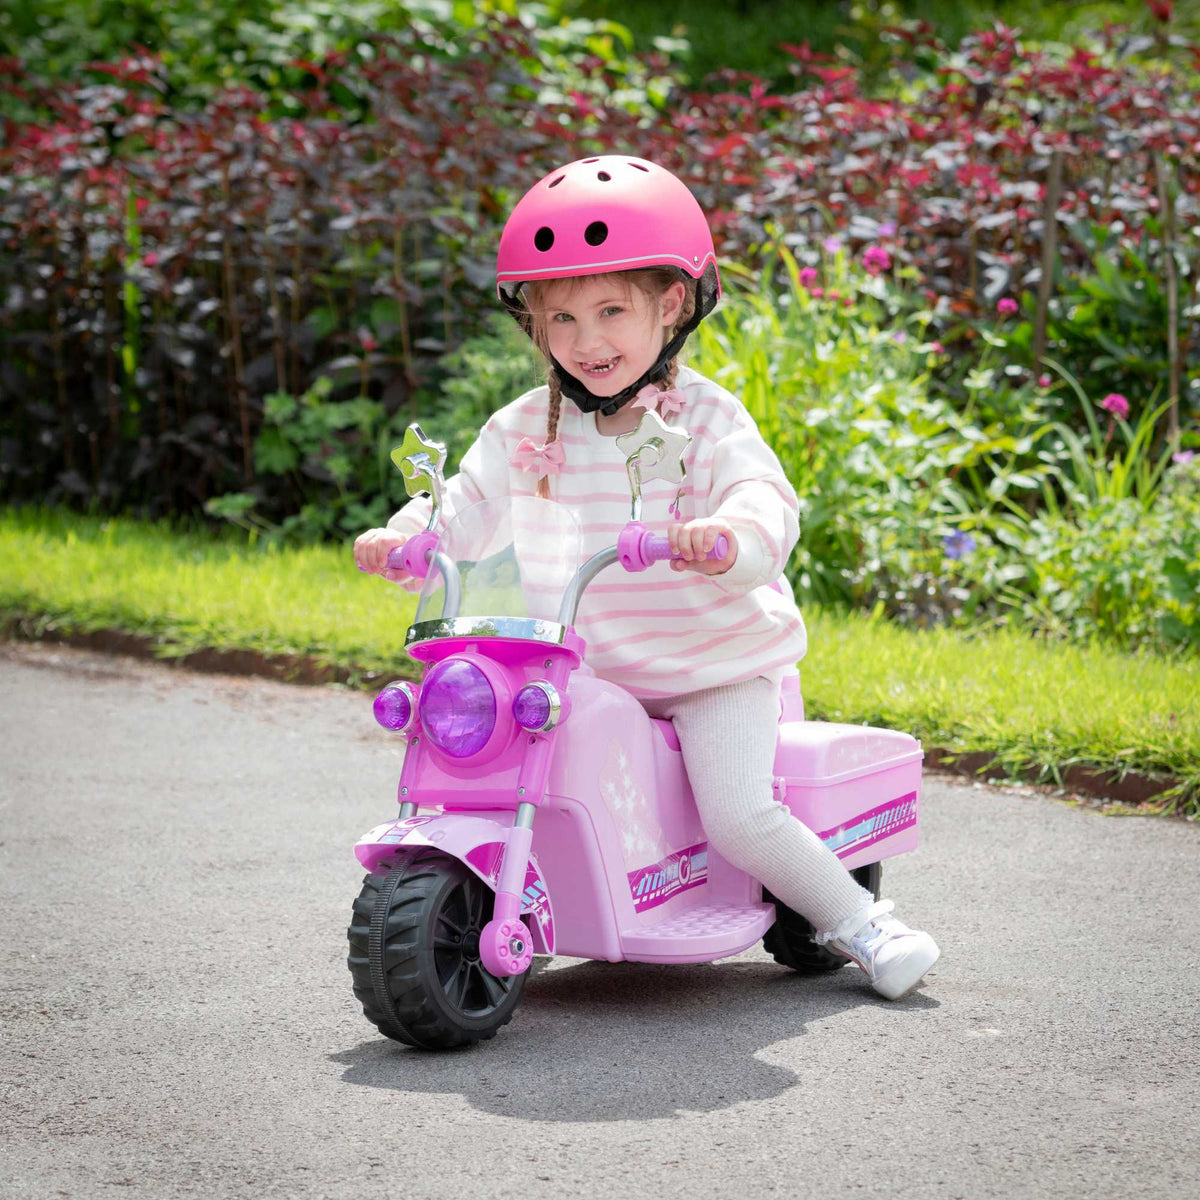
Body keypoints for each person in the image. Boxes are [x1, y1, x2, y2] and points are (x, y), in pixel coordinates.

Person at [354, 155, 939, 1000]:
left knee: (739, 815)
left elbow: (763, 499)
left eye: (611, 311)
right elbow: (467, 502)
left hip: (713, 666)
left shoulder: (703, 418)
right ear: (534, 323)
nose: (586, 342)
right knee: (512, 775)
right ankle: (562, 897)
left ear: (669, 305)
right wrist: (409, 536)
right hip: (589, 669)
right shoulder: (526, 426)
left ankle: (861, 922)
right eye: (561, 318)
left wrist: (729, 537)